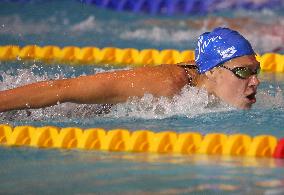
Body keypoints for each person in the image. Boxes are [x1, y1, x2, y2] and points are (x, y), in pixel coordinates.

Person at [0, 27, 260, 112]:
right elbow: (63, 89)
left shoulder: (208, 81)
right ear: (212, 71)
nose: (256, 81)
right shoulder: (165, 84)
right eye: (244, 72)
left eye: (256, 70)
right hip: (59, 112)